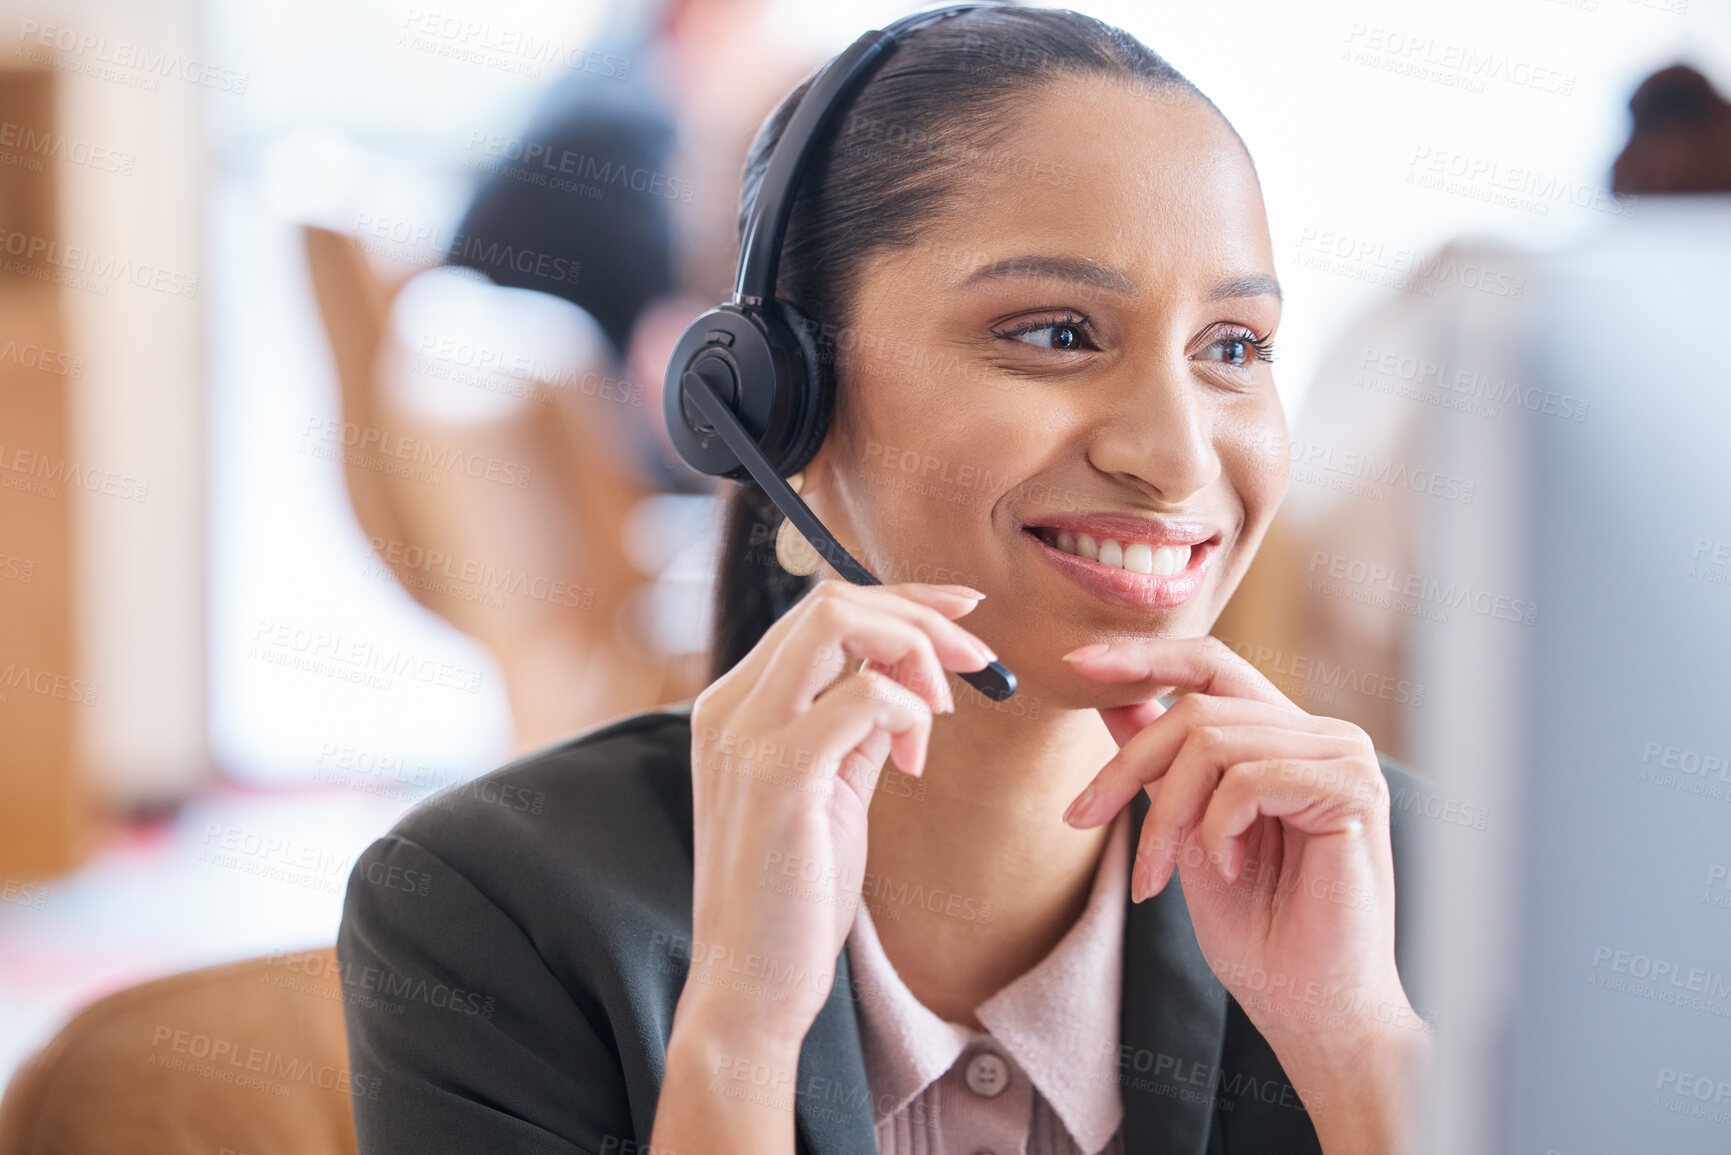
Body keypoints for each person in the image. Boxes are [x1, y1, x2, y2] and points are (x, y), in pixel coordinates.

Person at [337, 8, 1431, 1154]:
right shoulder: (495, 911)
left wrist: (1358, 1048)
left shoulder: (1392, 867)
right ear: (779, 404)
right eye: (1057, 333)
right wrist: (741, 1036)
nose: (1179, 455)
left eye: (1234, 348)